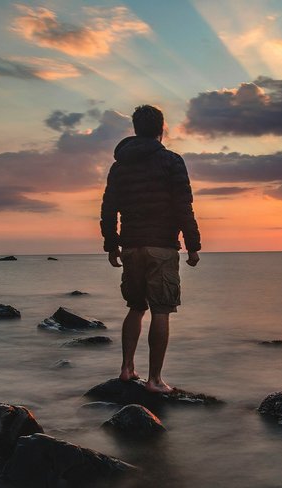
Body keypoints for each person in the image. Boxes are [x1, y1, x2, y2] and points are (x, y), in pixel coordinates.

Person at [100, 104, 201, 394]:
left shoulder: (120, 166)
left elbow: (109, 208)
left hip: (131, 246)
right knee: (161, 310)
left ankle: (126, 369)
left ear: (135, 129)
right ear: (161, 128)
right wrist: (193, 246)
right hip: (161, 247)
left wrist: (111, 244)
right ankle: (154, 380)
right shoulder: (171, 161)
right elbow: (183, 206)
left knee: (135, 307)